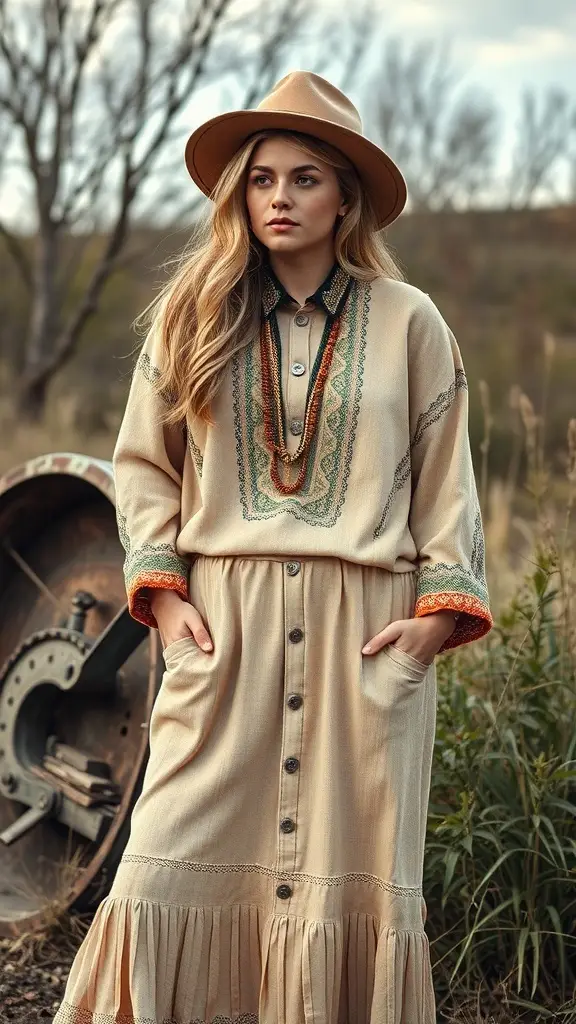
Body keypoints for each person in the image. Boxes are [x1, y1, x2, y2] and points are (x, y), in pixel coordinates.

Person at [54, 70, 492, 1024]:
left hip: (363, 639)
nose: (280, 199)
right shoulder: (190, 318)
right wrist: (165, 600)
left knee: (351, 891)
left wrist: (428, 629)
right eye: (261, 180)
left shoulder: (412, 322)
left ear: (346, 198)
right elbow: (142, 468)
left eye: (304, 178)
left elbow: (448, 484)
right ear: (237, 195)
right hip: (224, 630)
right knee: (165, 869)